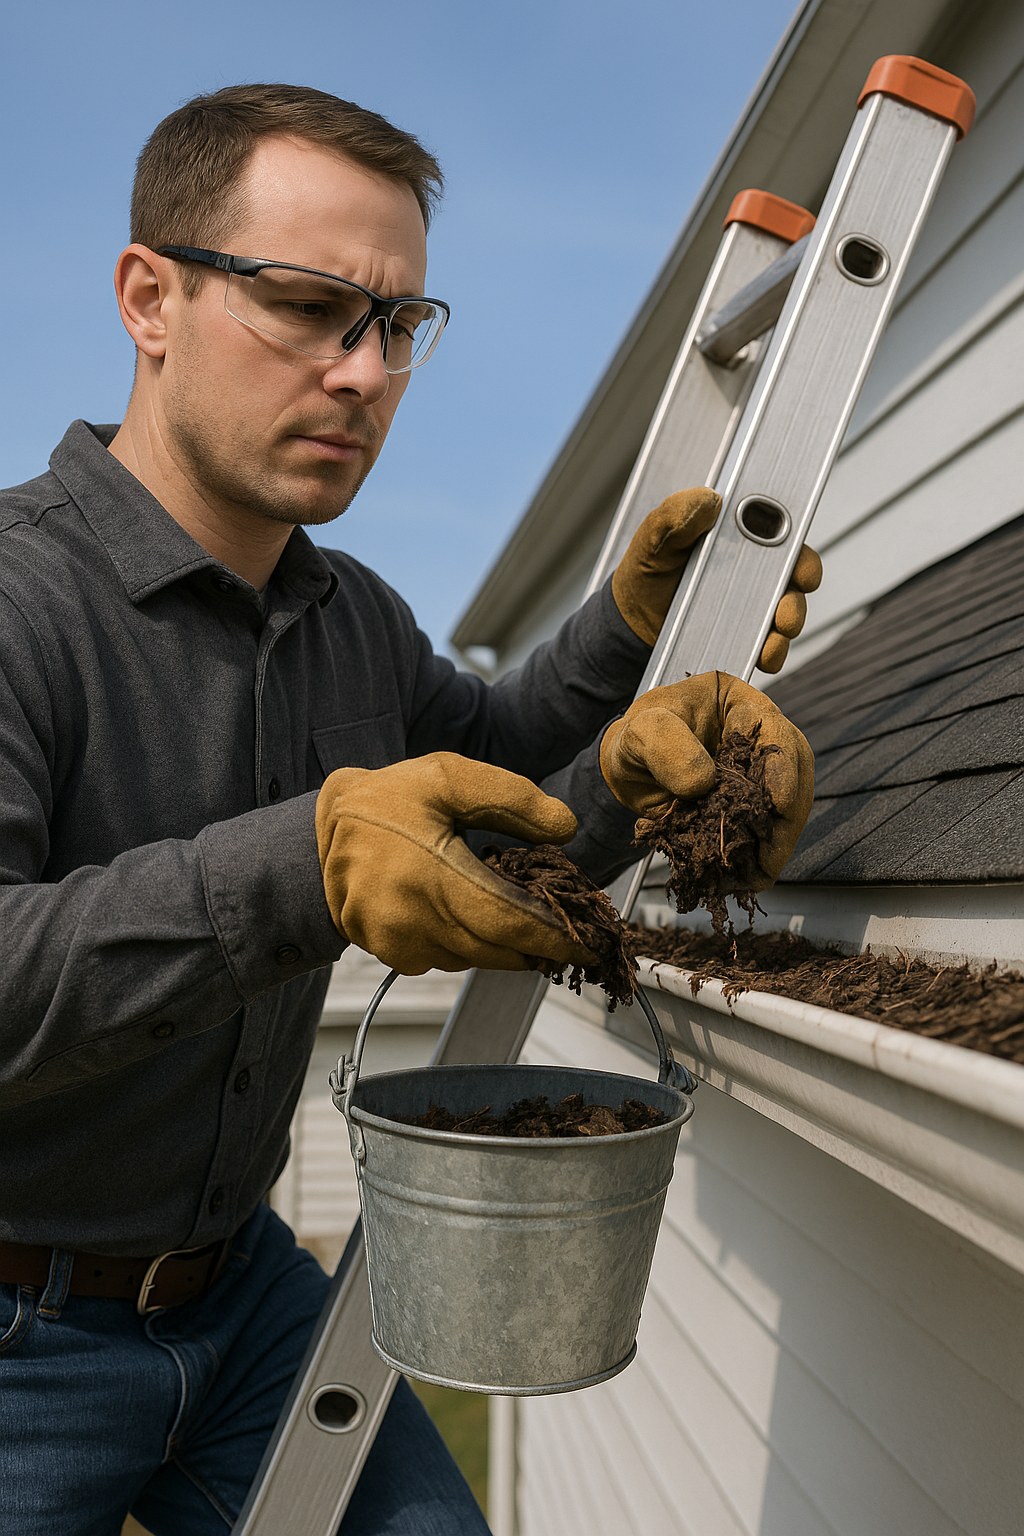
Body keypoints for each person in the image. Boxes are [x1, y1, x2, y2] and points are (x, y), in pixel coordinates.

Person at [0, 84, 818, 1535]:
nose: (364, 372)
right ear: (150, 297)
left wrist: (624, 670)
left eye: (398, 327)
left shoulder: (346, 616)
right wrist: (303, 865)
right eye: (311, 308)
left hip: (244, 1295)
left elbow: (498, 767)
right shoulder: (17, 601)